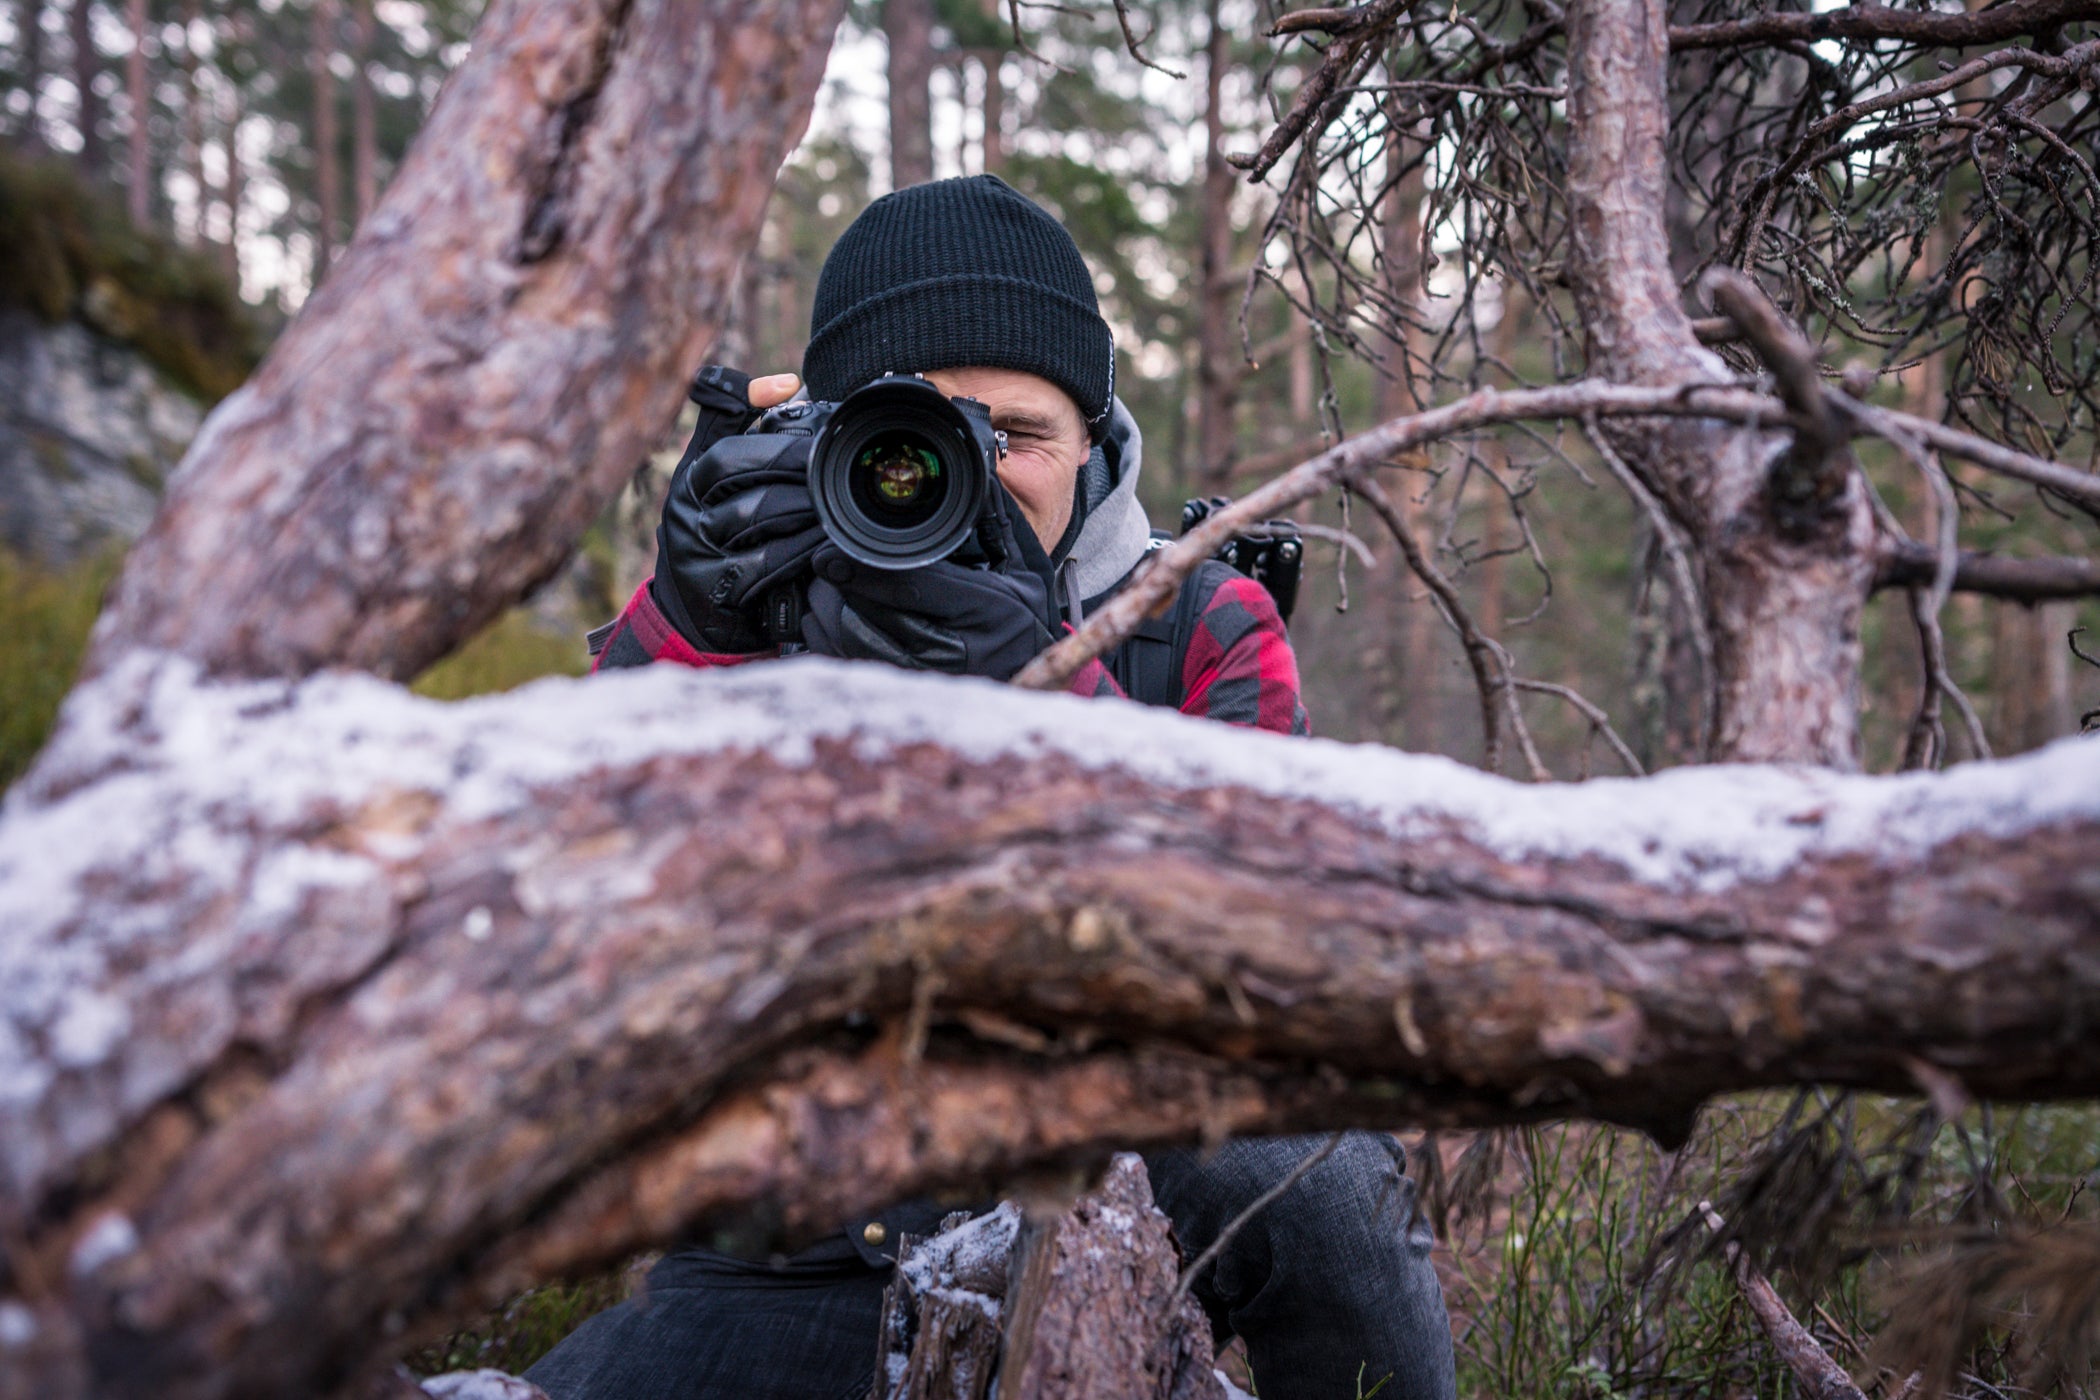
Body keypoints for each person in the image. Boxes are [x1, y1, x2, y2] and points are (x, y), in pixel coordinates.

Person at [532, 174, 1456, 1400]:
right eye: (920, 426)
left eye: (1017, 433)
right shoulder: (748, 605)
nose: (970, 462)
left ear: (1094, 446)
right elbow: (560, 904)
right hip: (794, 1233)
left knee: (1314, 1159)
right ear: (826, 439)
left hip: (1100, 1205)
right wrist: (685, 625)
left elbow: (1272, 960)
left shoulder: (1195, 621)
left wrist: (1040, 689)